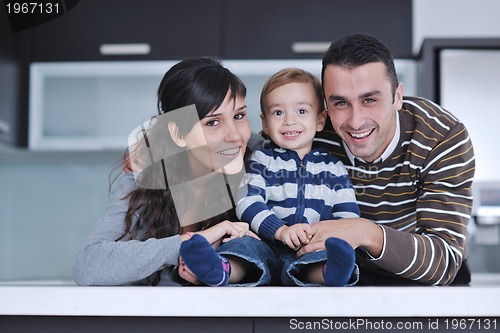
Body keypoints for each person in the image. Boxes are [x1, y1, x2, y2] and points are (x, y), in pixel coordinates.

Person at [74, 57, 275, 287]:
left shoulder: (261, 157)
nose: (235, 135)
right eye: (213, 123)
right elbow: (88, 265)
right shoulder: (147, 174)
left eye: (239, 116)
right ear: (178, 134)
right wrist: (190, 242)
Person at [306, 34, 475, 286]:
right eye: (340, 102)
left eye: (370, 99)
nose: (355, 121)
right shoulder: (310, 131)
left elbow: (444, 259)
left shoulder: (441, 136)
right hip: (335, 273)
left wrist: (365, 231)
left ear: (398, 96)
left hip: (418, 275)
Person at [236, 68, 361, 286]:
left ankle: (332, 273)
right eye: (278, 113)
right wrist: (281, 231)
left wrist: (324, 238)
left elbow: (348, 215)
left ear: (321, 120)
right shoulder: (261, 159)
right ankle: (219, 269)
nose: (289, 121)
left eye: (301, 111)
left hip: (309, 247)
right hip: (266, 243)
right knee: (241, 248)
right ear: (265, 123)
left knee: (318, 258)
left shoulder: (333, 168)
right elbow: (246, 201)